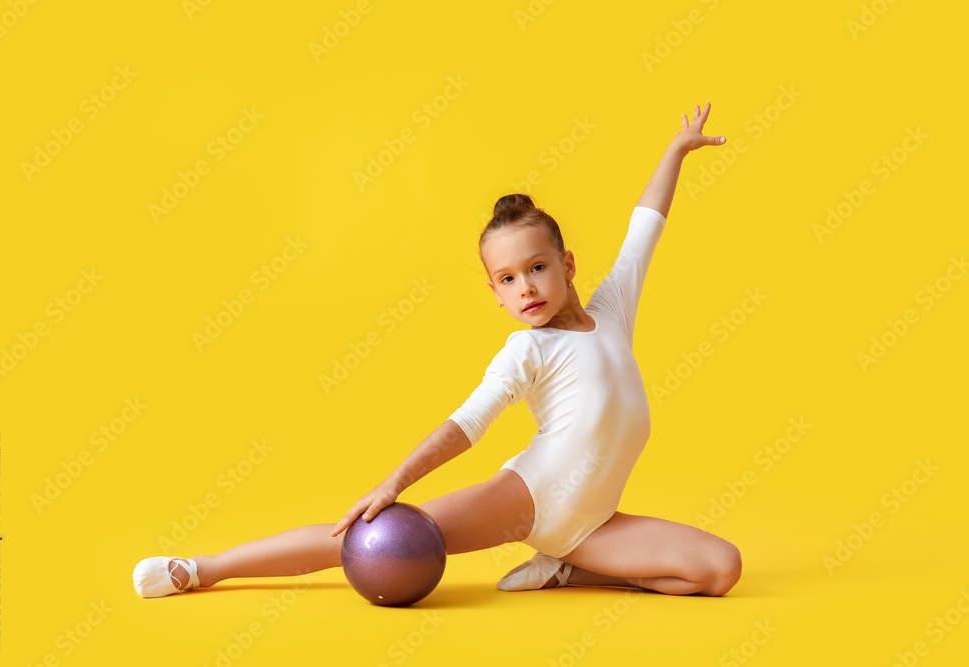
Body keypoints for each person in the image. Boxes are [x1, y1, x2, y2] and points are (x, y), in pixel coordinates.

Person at [132, 102, 741, 599]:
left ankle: (571, 571)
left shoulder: (611, 312)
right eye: (506, 279)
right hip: (528, 501)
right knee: (367, 536)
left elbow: (643, 230)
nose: (524, 286)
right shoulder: (527, 350)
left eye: (536, 267)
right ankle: (202, 568)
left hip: (596, 526)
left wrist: (675, 150)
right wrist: (392, 484)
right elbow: (467, 424)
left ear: (567, 264)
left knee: (720, 568)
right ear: (495, 292)